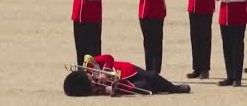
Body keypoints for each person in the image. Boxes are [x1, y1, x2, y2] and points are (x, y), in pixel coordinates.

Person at [63, 54, 191, 96]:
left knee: (151, 76)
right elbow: (111, 90)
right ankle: (161, 88)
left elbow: (108, 58)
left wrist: (105, 72)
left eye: (90, 79)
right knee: (146, 86)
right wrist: (109, 89)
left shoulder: (89, 65)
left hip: (126, 70)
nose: (93, 81)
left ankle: (174, 88)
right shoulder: (93, 89)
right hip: (125, 84)